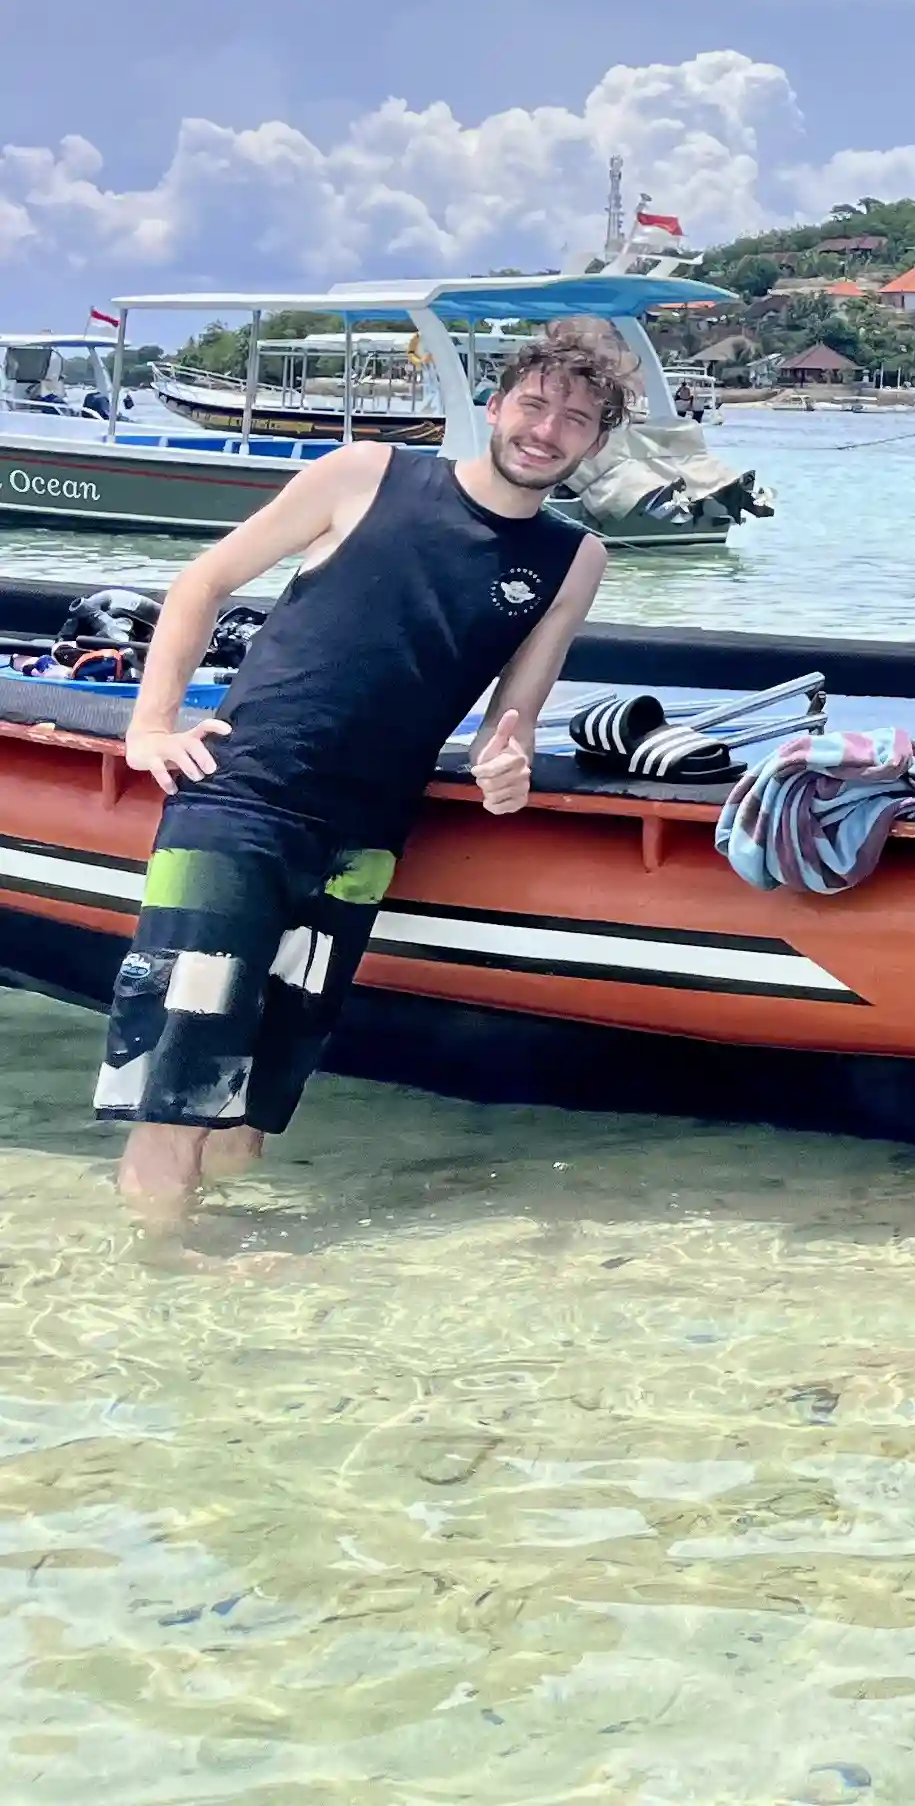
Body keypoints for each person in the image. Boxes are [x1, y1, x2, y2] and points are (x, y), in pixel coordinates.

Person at [98, 323, 630, 1229]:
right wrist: (150, 725)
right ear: (495, 407)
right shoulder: (366, 473)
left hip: (366, 837)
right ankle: (166, 1267)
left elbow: (516, 716)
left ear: (596, 442)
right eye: (535, 404)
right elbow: (202, 582)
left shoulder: (574, 558)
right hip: (241, 800)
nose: (548, 429)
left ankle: (210, 1251)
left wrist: (510, 768)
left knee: (264, 1081)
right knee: (179, 1070)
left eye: (576, 419)